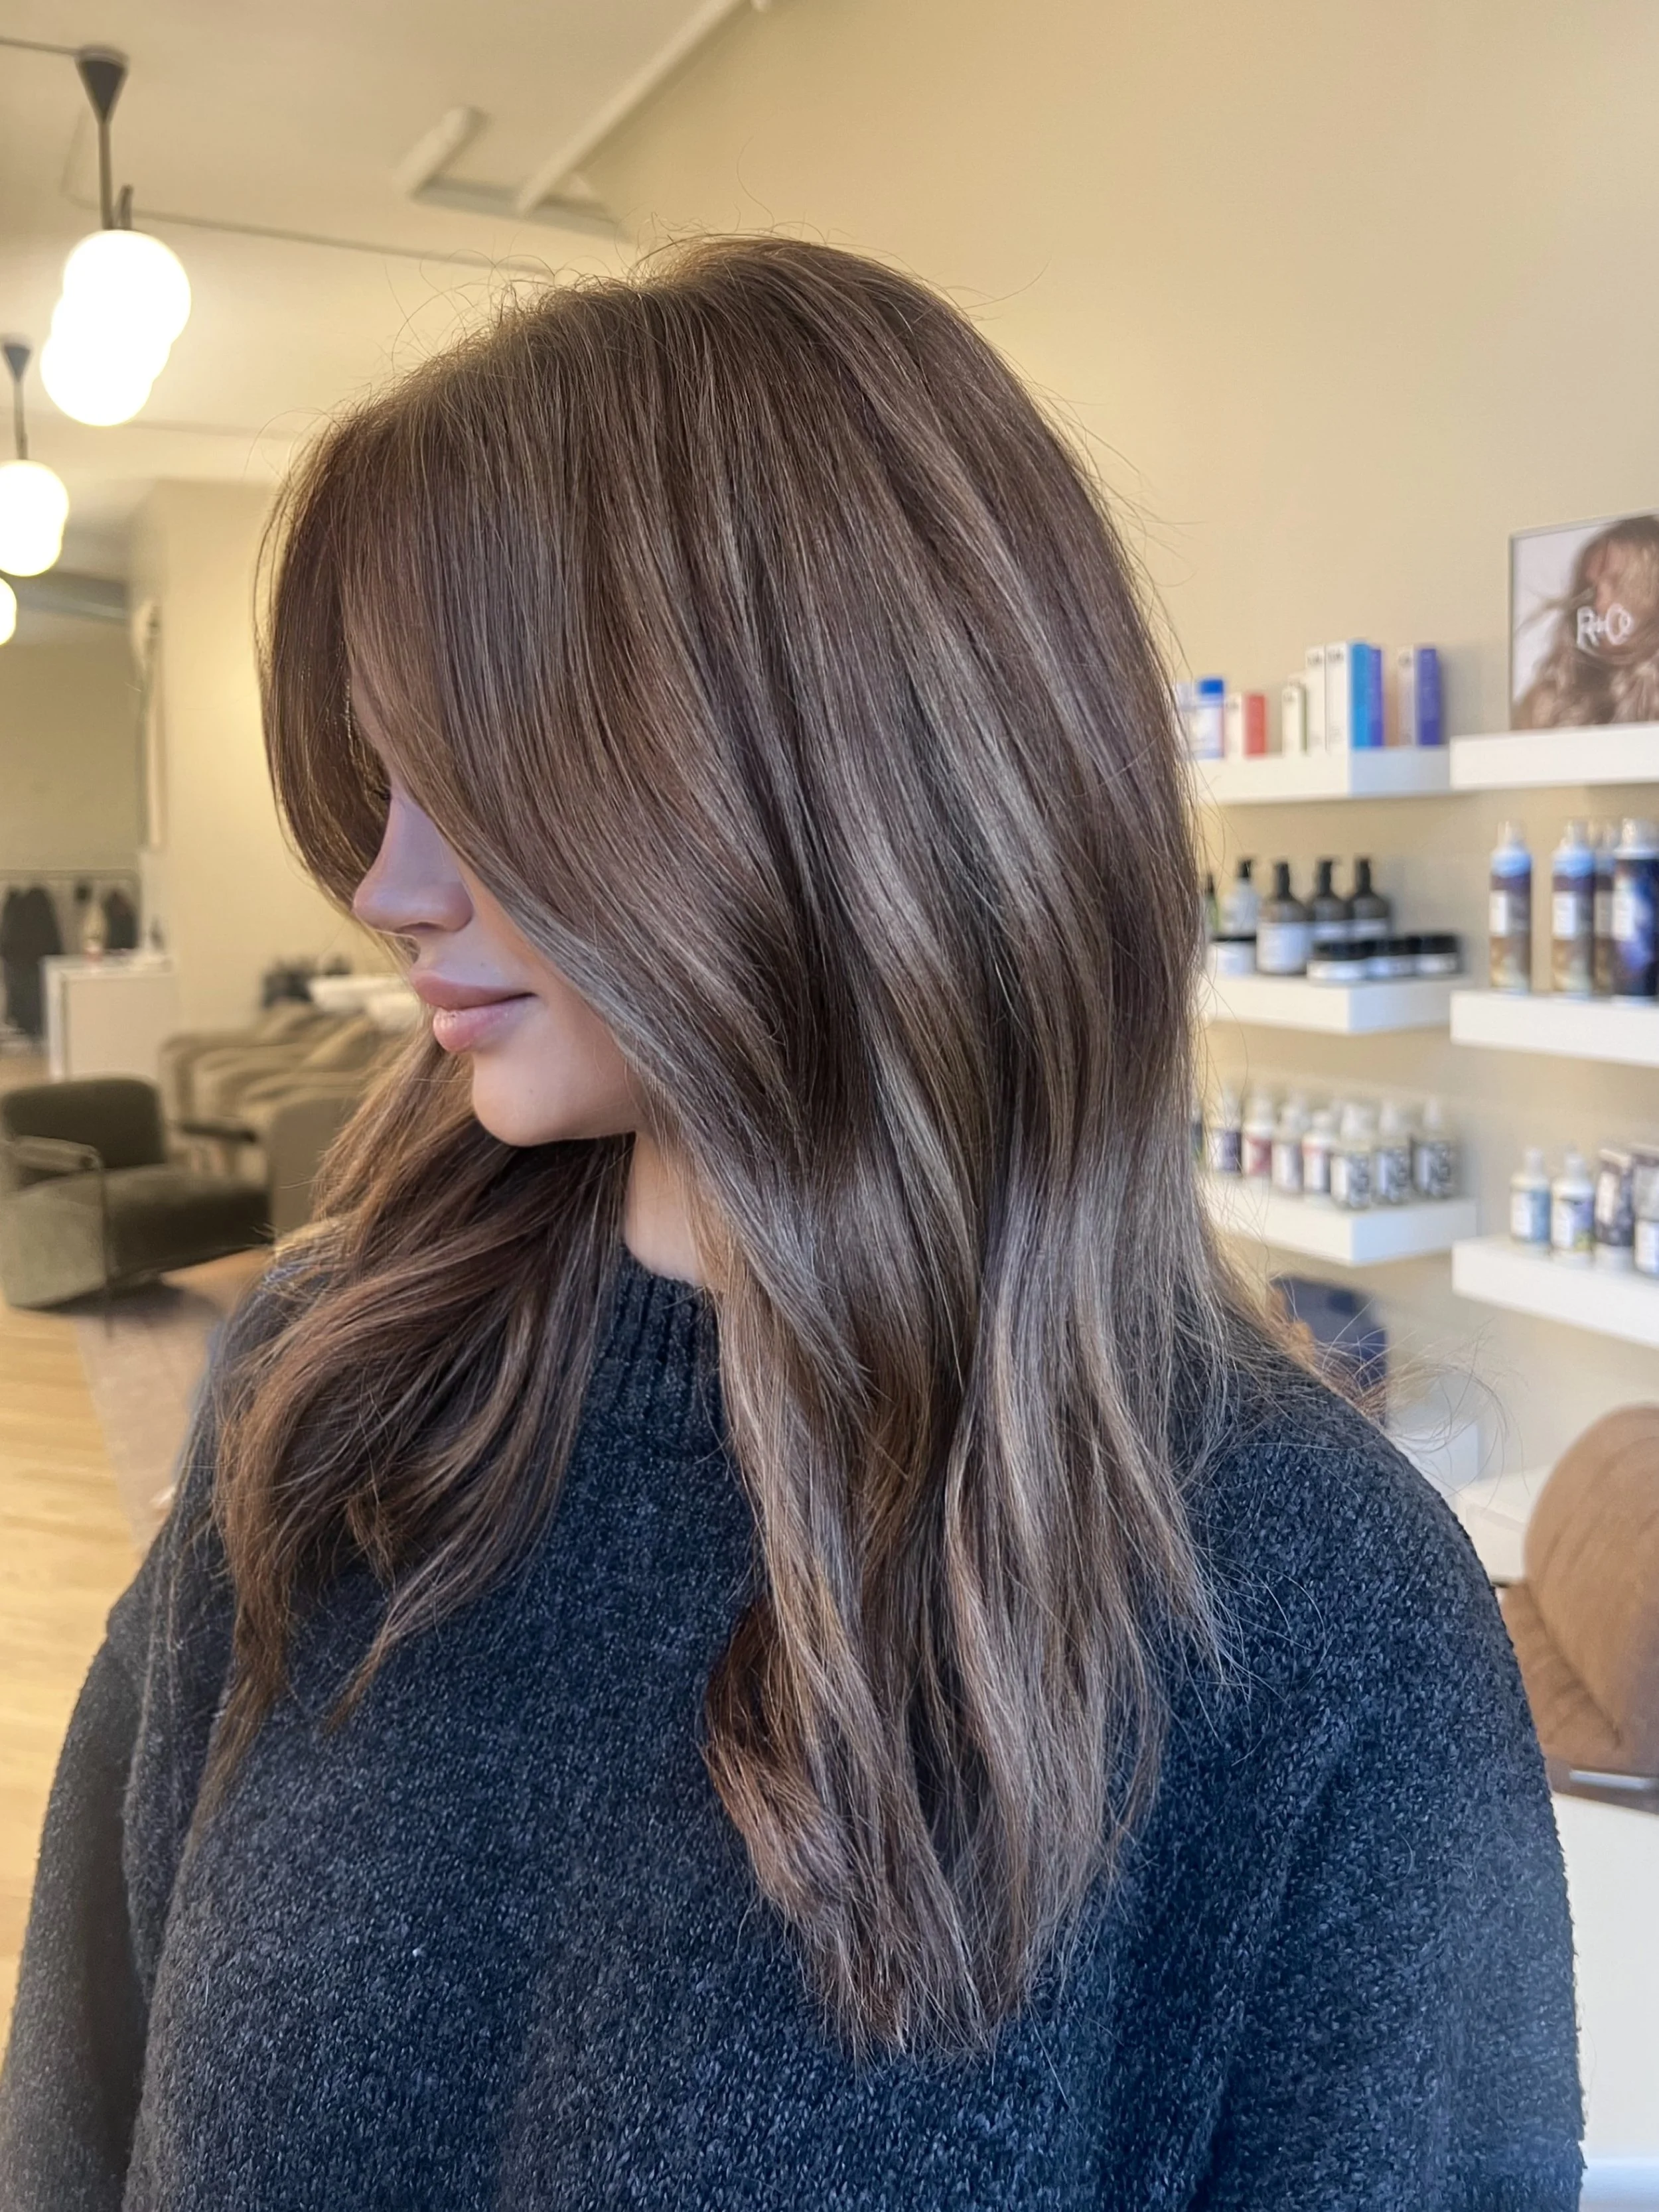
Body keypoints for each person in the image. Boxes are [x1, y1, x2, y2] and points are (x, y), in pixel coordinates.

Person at [0, 237, 1580, 2208]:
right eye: (380, 775)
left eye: (482, 776)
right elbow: (75, 2115)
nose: (385, 882)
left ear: (834, 771)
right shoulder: (326, 1394)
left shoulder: (1307, 1613)